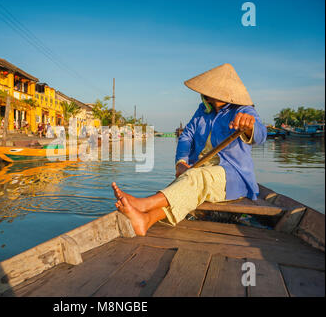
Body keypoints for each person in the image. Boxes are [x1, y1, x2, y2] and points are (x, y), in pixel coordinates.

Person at [111, 63, 267, 236]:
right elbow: (186, 136)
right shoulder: (203, 111)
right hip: (199, 170)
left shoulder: (244, 110)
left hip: (232, 177)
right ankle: (146, 220)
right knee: (188, 184)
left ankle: (144, 204)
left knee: (194, 177)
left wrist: (249, 126)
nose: (203, 95)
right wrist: (181, 162)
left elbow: (261, 134)